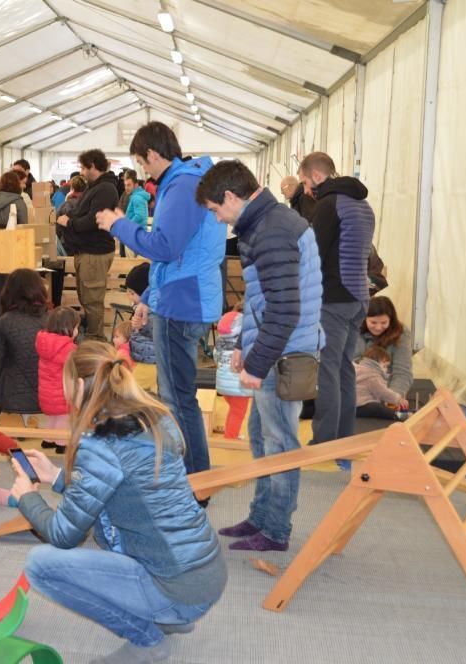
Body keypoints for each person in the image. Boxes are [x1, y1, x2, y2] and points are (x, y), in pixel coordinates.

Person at [11, 341, 226, 664]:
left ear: (80, 385)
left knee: (41, 565)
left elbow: (63, 535)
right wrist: (56, 476)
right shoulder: (151, 418)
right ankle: (171, 615)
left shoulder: (101, 443)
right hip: (205, 574)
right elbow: (120, 491)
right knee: (108, 533)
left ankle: (149, 640)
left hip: (179, 588)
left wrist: (27, 498)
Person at [196, 159, 323, 551]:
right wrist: (243, 348)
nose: (218, 220)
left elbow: (285, 310)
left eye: (217, 210)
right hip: (275, 347)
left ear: (232, 197)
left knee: (280, 443)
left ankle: (276, 530)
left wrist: (257, 362)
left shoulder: (271, 231)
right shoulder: (264, 225)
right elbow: (261, 300)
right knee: (262, 438)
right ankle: (261, 516)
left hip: (284, 354)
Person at [97, 123, 224, 476]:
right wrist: (150, 296)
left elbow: (165, 247)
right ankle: (192, 472)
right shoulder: (188, 181)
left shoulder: (182, 185)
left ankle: (192, 476)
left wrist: (118, 225)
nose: (143, 171)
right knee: (179, 397)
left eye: (142, 162)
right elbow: (179, 256)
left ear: (152, 154)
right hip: (185, 296)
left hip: (183, 304)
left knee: (178, 400)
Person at [299, 152, 375, 446]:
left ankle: (325, 439)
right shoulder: (362, 204)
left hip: (334, 298)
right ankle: (344, 436)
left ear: (317, 176)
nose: (306, 190)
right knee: (344, 367)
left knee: (327, 369)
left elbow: (313, 253)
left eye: (306, 182)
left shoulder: (329, 205)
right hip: (359, 297)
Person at [0, 268, 48, 425]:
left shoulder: (4, 322)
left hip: (13, 398)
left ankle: (15, 421)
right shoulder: (52, 320)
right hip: (50, 396)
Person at [58, 149, 119, 341]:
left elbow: (94, 219)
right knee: (87, 297)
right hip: (87, 251)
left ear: (93, 165)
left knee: (92, 299)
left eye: (84, 168)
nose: (82, 173)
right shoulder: (97, 187)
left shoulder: (105, 189)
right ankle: (93, 338)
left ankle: (95, 340)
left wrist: (69, 222)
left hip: (95, 252)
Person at [36, 307, 81, 454]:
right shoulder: (68, 349)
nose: (77, 331)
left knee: (53, 418)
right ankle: (62, 443)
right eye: (76, 327)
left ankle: (48, 439)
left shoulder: (44, 343)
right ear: (69, 328)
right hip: (61, 394)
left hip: (46, 393)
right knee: (64, 419)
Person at [353, 295, 413, 398]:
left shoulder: (401, 334)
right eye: (373, 322)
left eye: (384, 322)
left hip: (385, 390)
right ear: (365, 318)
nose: (378, 327)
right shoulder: (354, 329)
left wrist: (393, 397)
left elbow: (402, 372)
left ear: (391, 320)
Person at [214, 310, 251, 440]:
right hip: (237, 386)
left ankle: (231, 432)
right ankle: (230, 437)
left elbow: (215, 357)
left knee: (234, 409)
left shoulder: (219, 341)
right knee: (238, 412)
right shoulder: (244, 343)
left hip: (223, 385)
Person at [355, 346, 409, 420]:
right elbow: (383, 392)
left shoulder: (359, 369)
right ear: (375, 363)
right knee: (378, 408)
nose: (386, 370)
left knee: (378, 406)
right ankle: (398, 415)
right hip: (362, 405)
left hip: (352, 406)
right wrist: (398, 399)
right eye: (385, 366)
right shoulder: (372, 376)